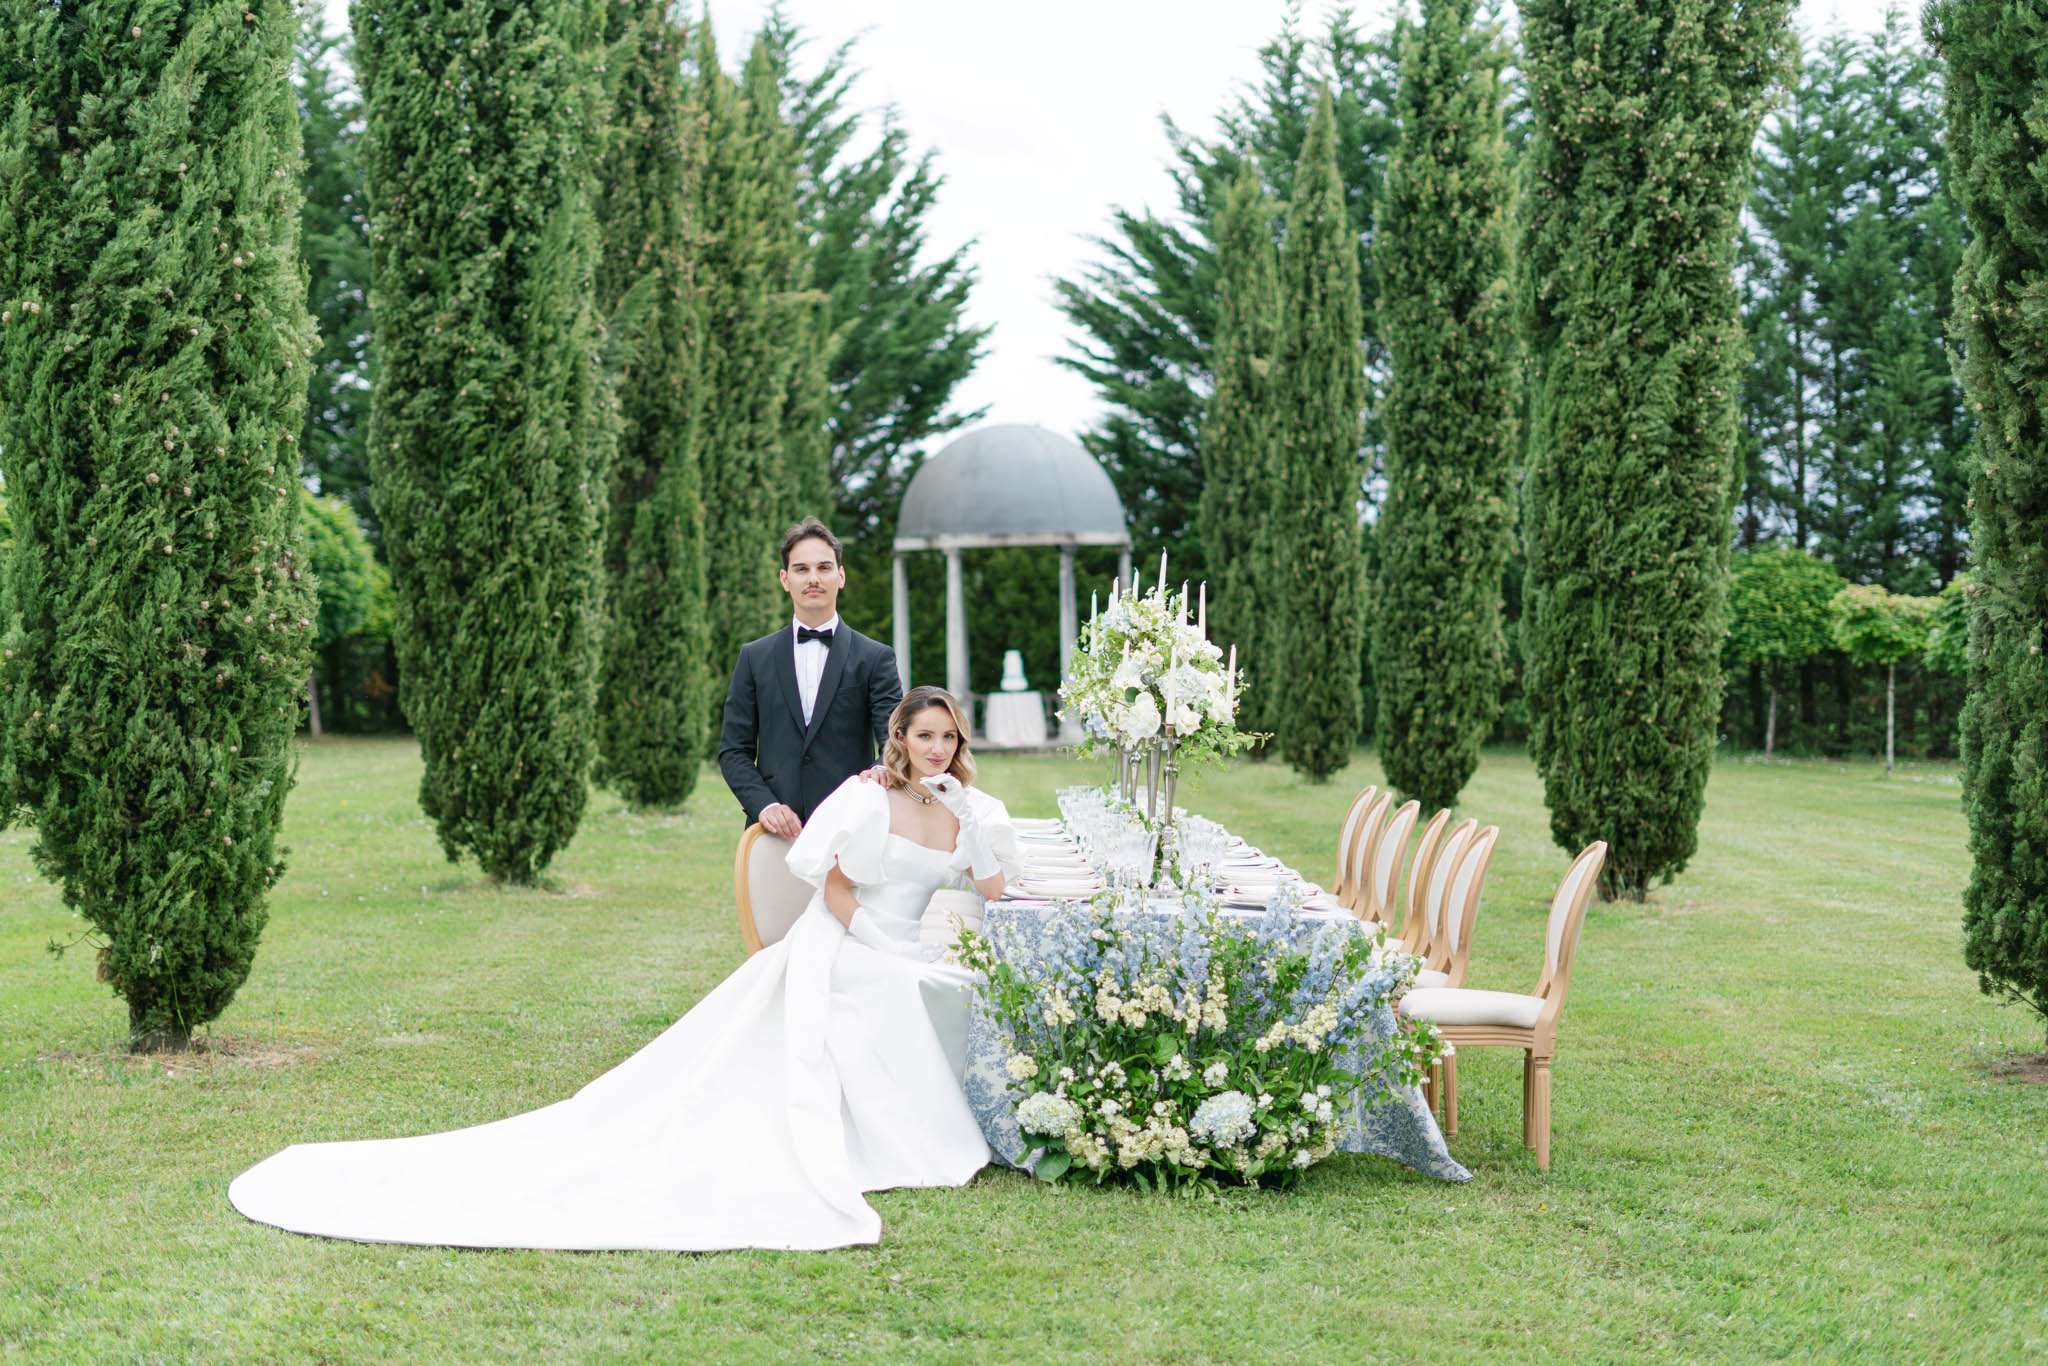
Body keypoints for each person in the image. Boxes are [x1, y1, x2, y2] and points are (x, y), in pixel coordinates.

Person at [227, 687, 1019, 1252]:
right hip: (848, 942)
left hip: (907, 948)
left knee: (952, 985)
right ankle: (897, 1135)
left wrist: (976, 825)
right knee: (893, 987)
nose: (936, 749)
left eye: (948, 738)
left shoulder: (962, 810)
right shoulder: (865, 795)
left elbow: (991, 888)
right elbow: (836, 884)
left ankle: (964, 1121)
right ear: (899, 739)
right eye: (924, 737)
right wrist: (874, 945)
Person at [719, 517, 901, 838]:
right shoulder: (753, 657)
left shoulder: (876, 657)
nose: (813, 578)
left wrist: (880, 770)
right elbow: (734, 750)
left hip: (851, 829)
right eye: (801, 569)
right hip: (773, 833)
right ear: (785, 579)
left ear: (840, 576)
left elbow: (894, 741)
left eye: (824, 567)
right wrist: (765, 805)